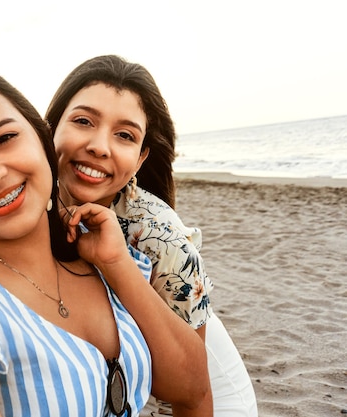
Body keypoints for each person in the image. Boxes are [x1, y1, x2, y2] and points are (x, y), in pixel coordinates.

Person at [0, 65, 210, 416]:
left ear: (41, 138)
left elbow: (191, 388)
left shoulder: (110, 254)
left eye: (3, 139)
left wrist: (117, 265)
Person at [46, 55, 258, 417]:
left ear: (141, 157)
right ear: (50, 127)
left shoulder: (160, 238)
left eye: (124, 135)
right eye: (83, 121)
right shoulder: (31, 202)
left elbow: (196, 395)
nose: (100, 146)